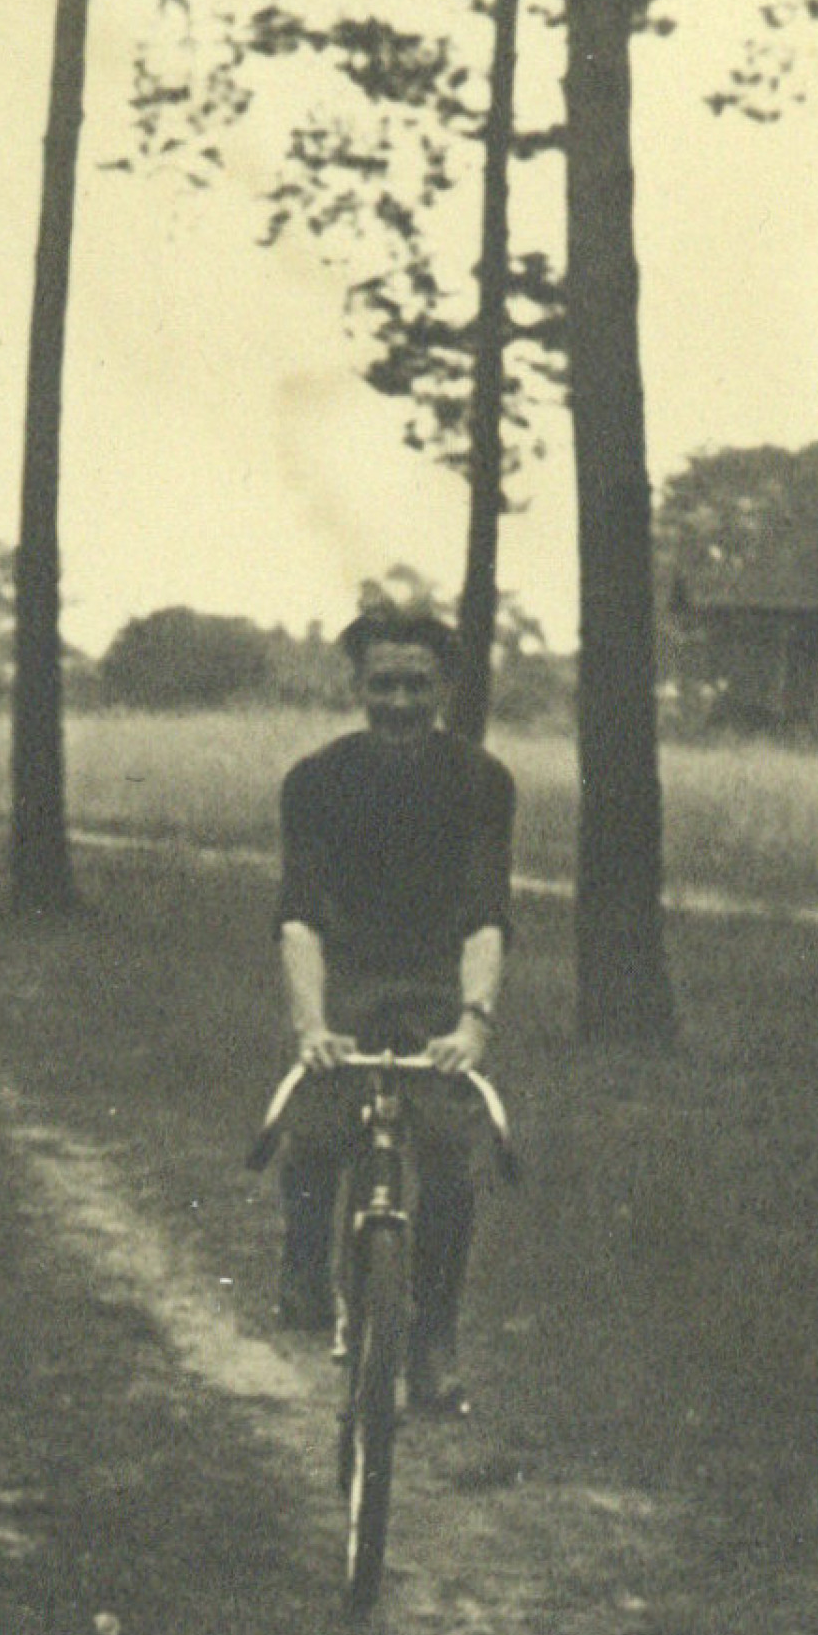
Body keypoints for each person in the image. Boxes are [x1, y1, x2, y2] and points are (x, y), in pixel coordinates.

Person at [273, 604, 514, 1416]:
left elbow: (486, 913)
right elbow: (299, 915)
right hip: (348, 982)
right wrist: (312, 1026)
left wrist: (473, 1022)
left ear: (446, 687)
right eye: (384, 684)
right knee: (313, 1126)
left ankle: (433, 1337)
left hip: (435, 985)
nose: (401, 703)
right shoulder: (316, 781)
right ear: (359, 686)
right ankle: (304, 1273)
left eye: (418, 684)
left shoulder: (481, 782)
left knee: (451, 1149)